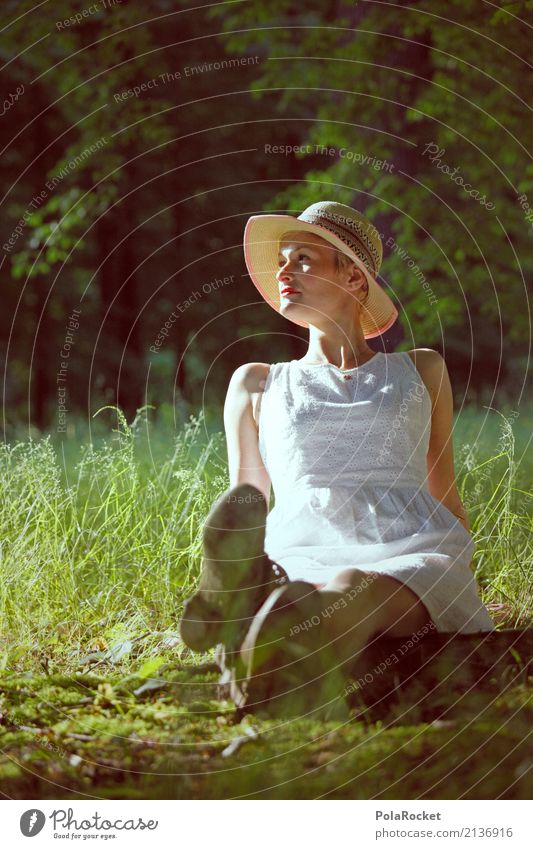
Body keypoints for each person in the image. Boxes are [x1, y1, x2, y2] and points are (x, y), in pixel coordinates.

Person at [180, 200, 496, 718]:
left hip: (409, 552)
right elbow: (247, 503)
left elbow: (443, 489)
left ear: (353, 277)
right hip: (302, 550)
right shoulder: (258, 382)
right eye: (281, 259)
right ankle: (248, 596)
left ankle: (254, 655)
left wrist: (463, 572)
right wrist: (243, 550)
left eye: (302, 258)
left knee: (350, 588)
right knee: (307, 590)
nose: (283, 271)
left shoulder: (421, 371)